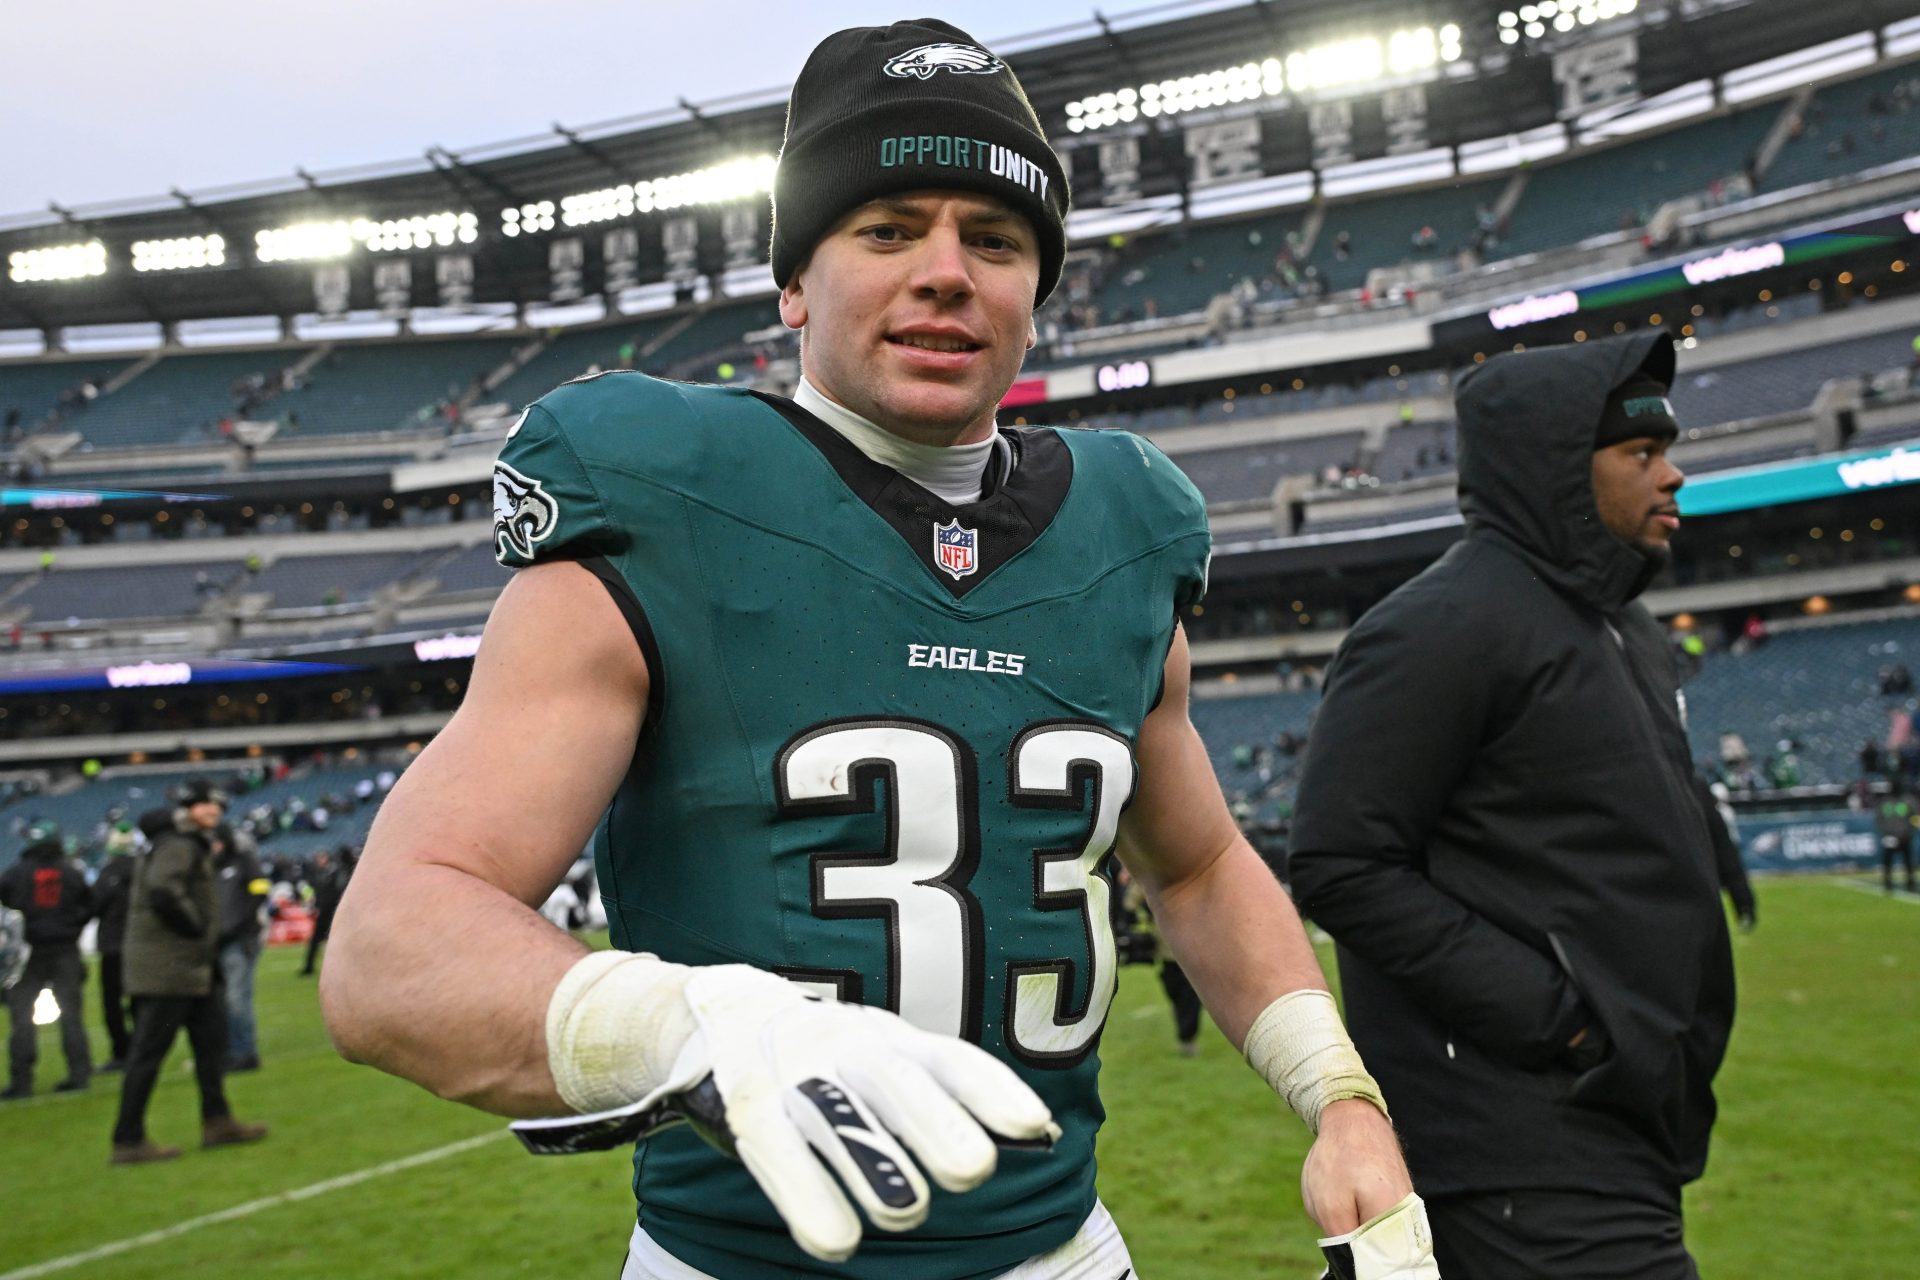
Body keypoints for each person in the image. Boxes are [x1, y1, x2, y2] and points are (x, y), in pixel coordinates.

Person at [322, 19, 1424, 1280]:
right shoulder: (666, 498)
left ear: (1035, 291)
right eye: (889, 228)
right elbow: (387, 945)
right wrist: (689, 1025)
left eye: (995, 239)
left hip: (1065, 1250)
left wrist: (1339, 1092)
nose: (948, 272)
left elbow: (1198, 867)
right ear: (796, 281)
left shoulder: (1127, 526)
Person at [1289, 330, 1736, 1279]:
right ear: (1560, 472)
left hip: (1617, 1127)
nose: (1674, 476)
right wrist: (1562, 1021)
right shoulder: (1439, 627)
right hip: (1516, 1139)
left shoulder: (1625, 629)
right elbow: (1341, 863)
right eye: (1642, 455)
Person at [111, 780, 267, 1164]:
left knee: (210, 1044)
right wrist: (196, 927)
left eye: (214, 804)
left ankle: (217, 1120)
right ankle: (127, 1139)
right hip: (170, 969)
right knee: (148, 1053)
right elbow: (163, 891)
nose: (212, 810)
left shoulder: (178, 842)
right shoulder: (178, 844)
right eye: (202, 805)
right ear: (186, 811)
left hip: (191, 967)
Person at [0, 823, 95, 1099]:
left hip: (27, 952)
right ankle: (80, 1074)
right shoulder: (71, 872)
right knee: (72, 1015)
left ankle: (22, 1081)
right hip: (65, 948)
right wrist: (72, 927)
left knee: (22, 1019)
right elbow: (90, 904)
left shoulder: (16, 874)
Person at [92, 820, 146, 1071]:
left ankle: (121, 1052)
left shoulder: (109, 871)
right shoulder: (143, 868)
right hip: (140, 942)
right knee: (139, 999)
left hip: (113, 945)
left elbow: (95, 904)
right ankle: (142, 1048)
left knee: (112, 1003)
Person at [214, 823, 269, 1071]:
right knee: (224, 1000)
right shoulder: (210, 866)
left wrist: (242, 923)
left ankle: (244, 1053)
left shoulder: (242, 861)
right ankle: (229, 1050)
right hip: (218, 941)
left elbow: (260, 889)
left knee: (236, 997)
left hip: (240, 939)